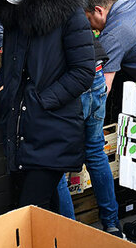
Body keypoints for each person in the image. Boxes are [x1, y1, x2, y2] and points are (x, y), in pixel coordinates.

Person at [0, 0, 95, 210]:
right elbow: (11, 65)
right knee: (43, 212)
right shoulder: (14, 15)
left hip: (53, 128)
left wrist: (41, 100)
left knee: (30, 208)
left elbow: (83, 72)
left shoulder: (69, 13)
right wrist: (3, 88)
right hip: (21, 128)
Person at [51, 34, 123, 236]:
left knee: (55, 161)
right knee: (95, 151)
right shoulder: (71, 6)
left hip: (70, 81)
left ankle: (72, 235)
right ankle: (113, 225)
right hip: (95, 73)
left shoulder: (36, 9)